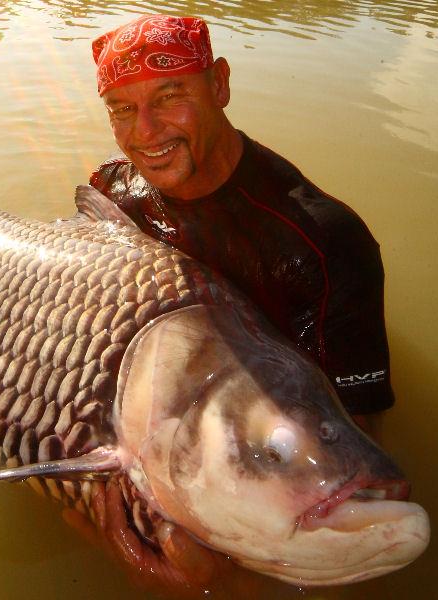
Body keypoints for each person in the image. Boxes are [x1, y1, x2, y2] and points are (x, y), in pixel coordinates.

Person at [89, 14, 394, 428]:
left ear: (219, 84)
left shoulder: (326, 248)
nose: (145, 132)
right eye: (123, 108)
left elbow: (348, 434)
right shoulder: (111, 192)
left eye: (168, 96)